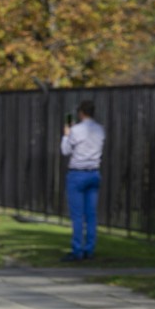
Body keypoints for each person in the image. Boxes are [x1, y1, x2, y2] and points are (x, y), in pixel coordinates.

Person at [60, 100, 105, 261]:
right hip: (93, 172)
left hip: (77, 173)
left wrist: (66, 134)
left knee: (78, 215)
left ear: (81, 113)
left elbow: (66, 151)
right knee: (91, 215)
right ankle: (90, 249)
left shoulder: (76, 130)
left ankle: (77, 250)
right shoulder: (100, 130)